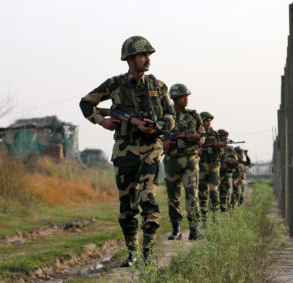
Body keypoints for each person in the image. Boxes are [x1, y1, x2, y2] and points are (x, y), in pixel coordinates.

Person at [79, 36, 175, 267]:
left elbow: (170, 117)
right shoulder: (115, 83)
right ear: (130, 59)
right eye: (143, 55)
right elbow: (85, 103)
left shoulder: (159, 86)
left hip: (151, 149)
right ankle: (132, 253)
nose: (148, 59)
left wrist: (156, 127)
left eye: (149, 55)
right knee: (127, 205)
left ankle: (147, 253)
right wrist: (101, 121)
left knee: (148, 199)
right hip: (124, 151)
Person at [162, 84, 205, 241]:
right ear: (174, 98)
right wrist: (164, 142)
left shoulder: (194, 115)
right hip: (172, 160)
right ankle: (176, 230)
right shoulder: (165, 116)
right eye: (183, 96)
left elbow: (203, 135)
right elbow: (157, 133)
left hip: (190, 160)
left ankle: (194, 229)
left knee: (192, 195)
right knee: (173, 196)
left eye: (187, 96)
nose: (186, 99)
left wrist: (188, 138)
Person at [197, 112, 223, 220]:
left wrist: (219, 146)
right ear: (201, 122)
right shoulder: (197, 133)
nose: (208, 123)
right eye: (206, 121)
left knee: (214, 191)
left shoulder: (215, 133)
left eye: (209, 120)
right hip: (201, 165)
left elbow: (221, 151)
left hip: (214, 164)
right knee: (202, 192)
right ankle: (204, 216)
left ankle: (214, 216)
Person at [217, 129, 239, 212]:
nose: (225, 138)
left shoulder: (229, 149)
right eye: (223, 137)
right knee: (214, 194)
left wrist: (227, 160)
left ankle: (224, 211)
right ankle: (214, 212)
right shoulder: (215, 147)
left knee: (225, 194)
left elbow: (236, 161)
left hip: (226, 174)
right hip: (216, 174)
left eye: (226, 137)